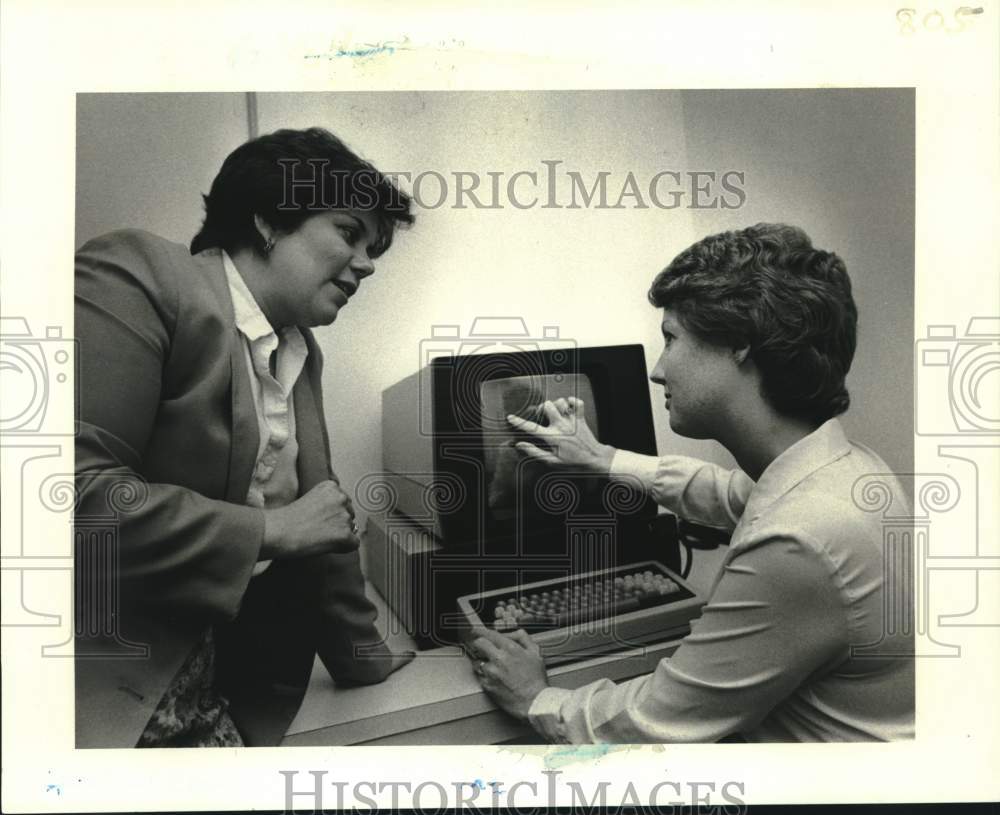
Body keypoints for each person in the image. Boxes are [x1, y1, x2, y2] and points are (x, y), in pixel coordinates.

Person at [468, 223, 914, 742]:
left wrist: (536, 699)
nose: (658, 370)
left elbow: (657, 724)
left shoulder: (801, 539)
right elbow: (726, 493)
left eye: (671, 339)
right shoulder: (846, 472)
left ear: (739, 345)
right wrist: (603, 458)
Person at [74, 127, 415, 747]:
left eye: (374, 248)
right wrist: (273, 531)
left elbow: (325, 519)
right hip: (110, 698)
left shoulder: (299, 352)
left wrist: (367, 657)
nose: (367, 264)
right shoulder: (138, 275)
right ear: (267, 220)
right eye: (348, 232)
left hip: (231, 689)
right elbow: (66, 498)